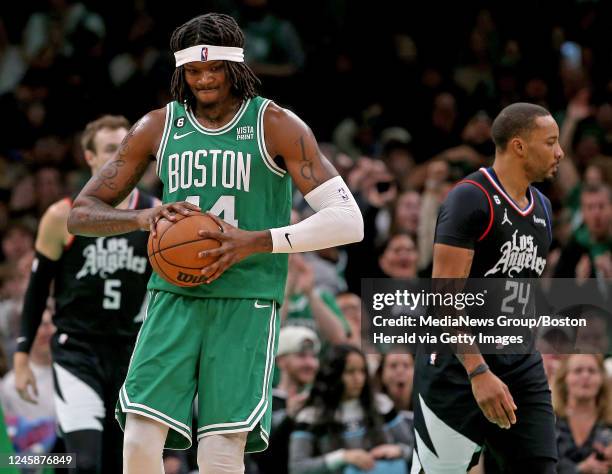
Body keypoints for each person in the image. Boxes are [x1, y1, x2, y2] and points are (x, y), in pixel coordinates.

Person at [66, 13, 364, 474]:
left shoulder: (275, 123)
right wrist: (143, 216)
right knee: (141, 435)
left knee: (221, 450)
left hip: (246, 299)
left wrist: (257, 241)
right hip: (173, 296)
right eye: (193, 71)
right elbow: (81, 213)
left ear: (236, 68)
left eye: (215, 69)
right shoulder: (159, 125)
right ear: (181, 72)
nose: (204, 79)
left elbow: (349, 221)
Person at [412, 103, 563, 473]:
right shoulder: (470, 198)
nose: (560, 152)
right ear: (519, 146)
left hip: (519, 360)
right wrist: (478, 372)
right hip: (457, 365)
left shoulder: (543, 208)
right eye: (551, 142)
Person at [13, 114, 158, 474]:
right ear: (89, 158)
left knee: (121, 461)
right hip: (78, 350)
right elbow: (36, 290)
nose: (121, 157)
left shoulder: (157, 213)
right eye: (111, 149)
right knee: (85, 462)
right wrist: (22, 356)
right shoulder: (62, 216)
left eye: (127, 149)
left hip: (133, 354)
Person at [289, 344, 413, 474]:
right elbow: (297, 467)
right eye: (350, 372)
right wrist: (342, 457)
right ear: (334, 374)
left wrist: (399, 451)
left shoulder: (382, 405)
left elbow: (415, 450)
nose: (358, 379)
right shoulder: (311, 415)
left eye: (362, 371)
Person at [250, 326, 321, 474]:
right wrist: (288, 418)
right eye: (301, 356)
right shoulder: (262, 402)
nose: (310, 363)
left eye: (313, 356)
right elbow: (258, 457)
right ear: (281, 361)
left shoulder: (320, 401)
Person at [553, 354, 612, 474]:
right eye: (578, 371)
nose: (585, 376)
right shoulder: (550, 419)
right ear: (564, 378)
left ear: (602, 379)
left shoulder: (609, 421)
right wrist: (579, 469)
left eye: (592, 371)